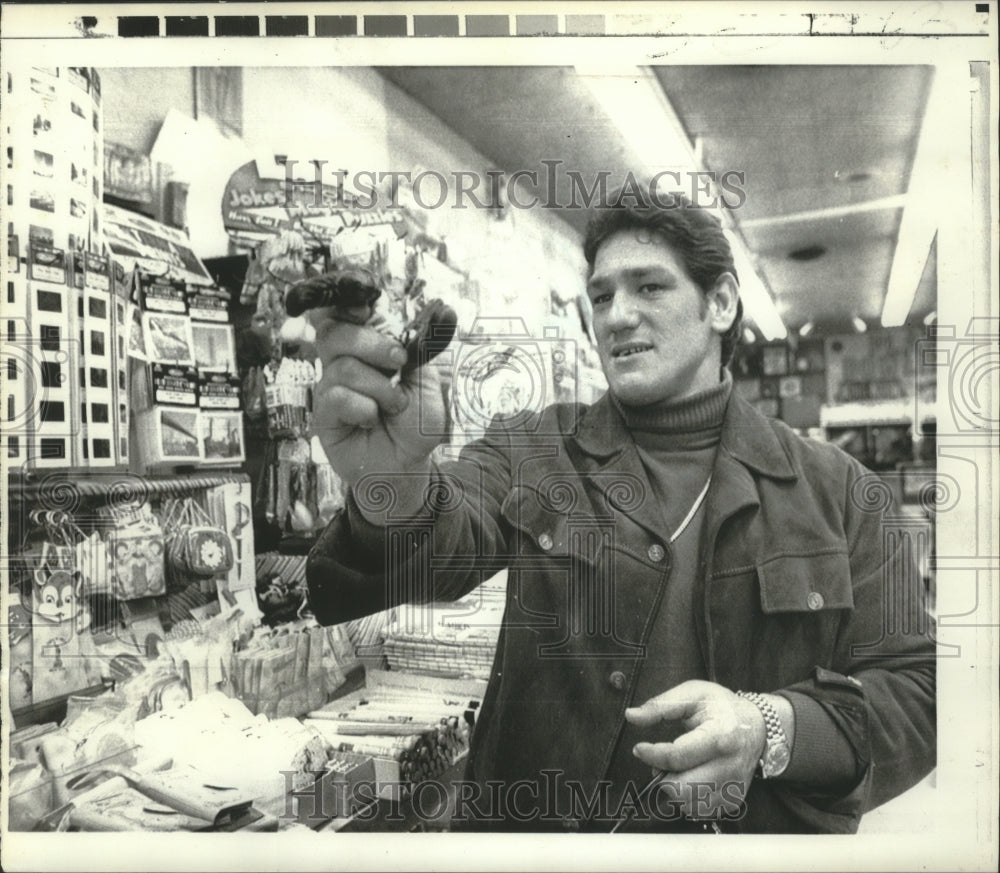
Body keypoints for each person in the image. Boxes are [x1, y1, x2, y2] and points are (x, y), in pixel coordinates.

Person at [306, 189, 936, 833]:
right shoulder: (536, 449)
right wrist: (396, 478)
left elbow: (919, 693)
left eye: (649, 288)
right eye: (602, 296)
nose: (616, 316)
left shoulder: (842, 493)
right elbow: (443, 542)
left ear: (719, 303)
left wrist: (771, 728)